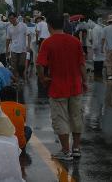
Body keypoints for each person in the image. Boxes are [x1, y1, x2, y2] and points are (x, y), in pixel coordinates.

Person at [37, 13, 86, 161]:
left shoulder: (47, 43)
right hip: (75, 85)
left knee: (60, 119)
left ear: (49, 25)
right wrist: (85, 81)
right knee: (76, 117)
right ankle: (76, 148)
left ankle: (65, 151)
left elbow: (40, 64)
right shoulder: (75, 41)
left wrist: (43, 78)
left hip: (58, 87)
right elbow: (82, 64)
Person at [0, 86, 32, 151]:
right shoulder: (21, 107)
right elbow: (23, 121)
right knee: (28, 129)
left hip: (0, 145)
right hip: (19, 145)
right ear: (15, 97)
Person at [6, 12, 31, 81]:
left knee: (21, 65)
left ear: (15, 18)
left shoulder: (23, 25)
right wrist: (6, 49)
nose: (11, 20)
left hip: (22, 49)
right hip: (13, 48)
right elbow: (8, 39)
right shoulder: (9, 28)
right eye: (10, 19)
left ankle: (21, 76)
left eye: (12, 18)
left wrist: (28, 45)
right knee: (14, 65)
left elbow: (29, 35)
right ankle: (16, 78)